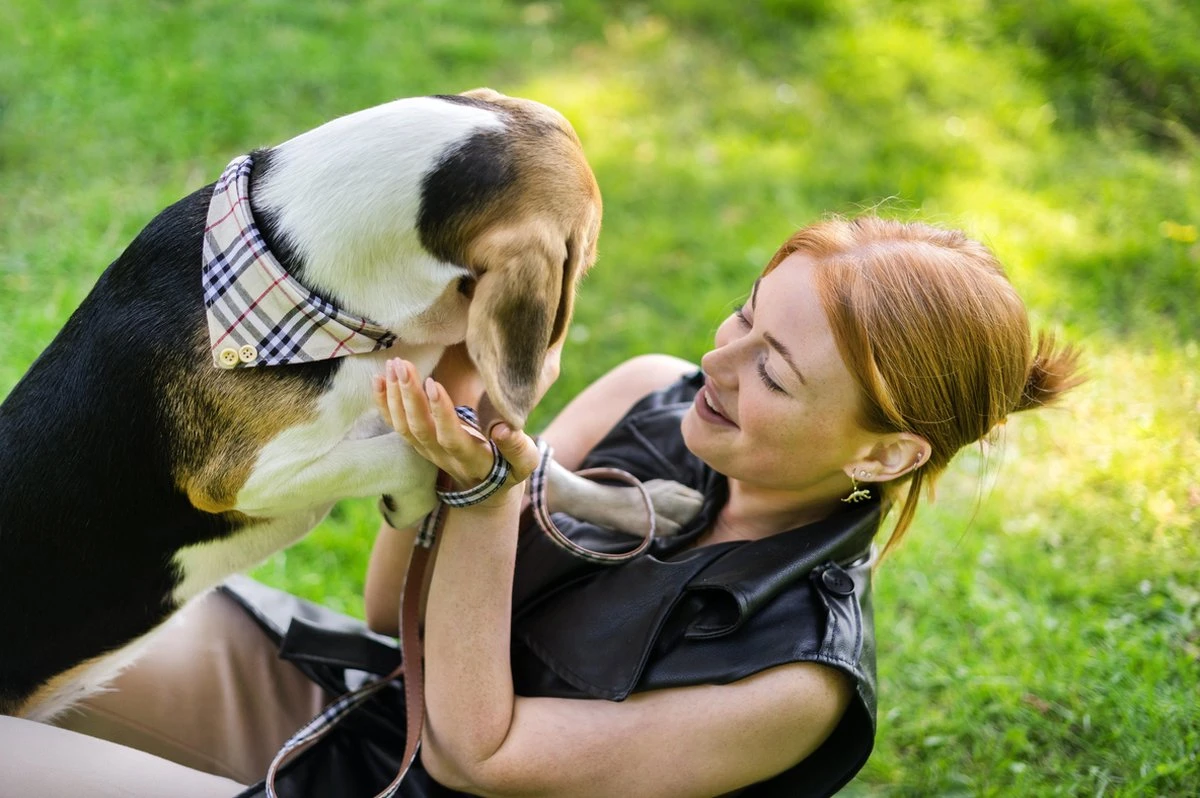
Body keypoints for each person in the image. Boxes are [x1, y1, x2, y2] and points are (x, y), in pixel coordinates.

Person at [0, 216, 1081, 797]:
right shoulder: (652, 394)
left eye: (776, 373)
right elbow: (395, 621)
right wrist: (442, 438)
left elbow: (481, 760)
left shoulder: (797, 682)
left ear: (888, 450)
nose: (720, 359)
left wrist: (481, 500)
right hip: (349, 708)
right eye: (743, 317)